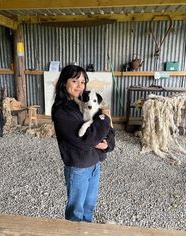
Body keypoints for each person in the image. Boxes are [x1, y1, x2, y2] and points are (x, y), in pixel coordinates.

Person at [51, 64, 113, 222]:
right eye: (75, 81)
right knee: (76, 212)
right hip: (78, 168)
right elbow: (87, 141)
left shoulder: (85, 101)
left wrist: (108, 144)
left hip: (95, 165)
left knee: (89, 207)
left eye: (83, 82)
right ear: (64, 82)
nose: (80, 86)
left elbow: (109, 132)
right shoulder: (62, 112)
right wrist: (105, 118)